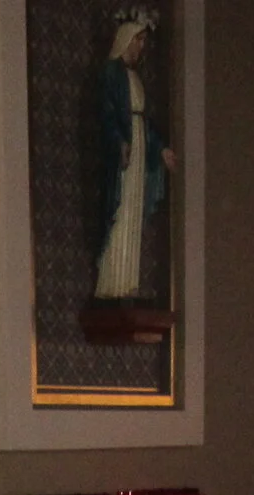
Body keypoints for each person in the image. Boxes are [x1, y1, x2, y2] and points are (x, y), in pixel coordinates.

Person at [92, 8, 174, 302]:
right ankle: (113, 282)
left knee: (134, 213)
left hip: (138, 147)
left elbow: (142, 121)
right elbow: (108, 113)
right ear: (126, 39)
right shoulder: (111, 74)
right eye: (138, 39)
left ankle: (129, 282)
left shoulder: (134, 78)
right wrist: (119, 142)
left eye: (143, 40)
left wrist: (161, 148)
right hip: (124, 153)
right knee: (121, 211)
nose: (141, 46)